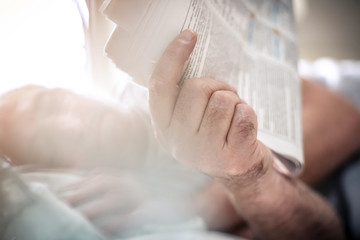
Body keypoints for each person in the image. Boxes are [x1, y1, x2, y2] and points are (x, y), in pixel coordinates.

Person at [1, 31, 360, 239]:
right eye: (50, 148)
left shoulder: (156, 76)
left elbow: (343, 120)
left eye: (52, 106)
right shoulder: (132, 203)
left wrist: (202, 207)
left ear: (71, 90)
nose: (72, 128)